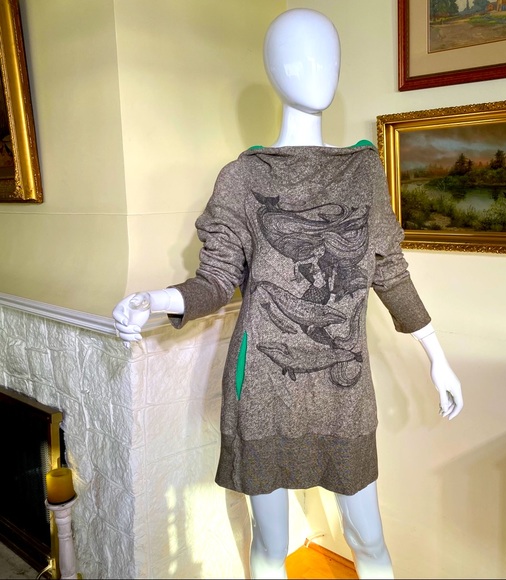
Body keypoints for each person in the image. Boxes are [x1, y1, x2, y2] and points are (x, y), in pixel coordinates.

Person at [113, 8, 463, 579]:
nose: (315, 68)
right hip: (263, 389)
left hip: (344, 388)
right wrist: (154, 300)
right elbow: (216, 279)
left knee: (369, 540)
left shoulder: (363, 171)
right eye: (298, 57)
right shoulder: (243, 178)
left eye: (328, 56)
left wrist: (436, 357)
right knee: (270, 545)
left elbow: (390, 271)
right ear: (274, 69)